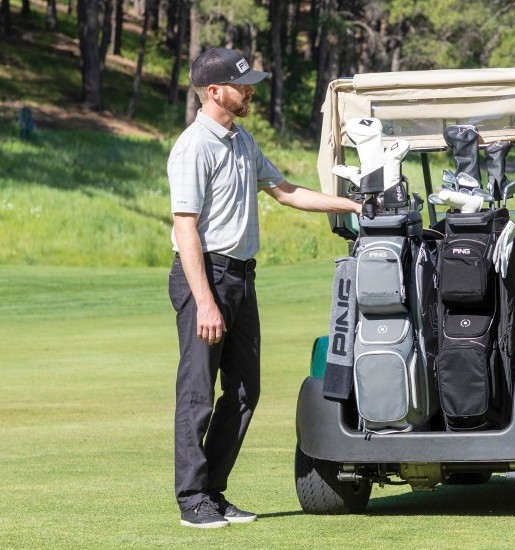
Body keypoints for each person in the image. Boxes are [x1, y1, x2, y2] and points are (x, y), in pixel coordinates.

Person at [167, 47, 362, 529]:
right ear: (214, 91)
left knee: (243, 391)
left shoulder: (240, 140)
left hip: (240, 277)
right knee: (197, 392)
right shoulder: (195, 146)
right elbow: (186, 227)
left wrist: (354, 205)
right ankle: (192, 498)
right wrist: (206, 302)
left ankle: (212, 490)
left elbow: (285, 190)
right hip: (204, 277)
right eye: (242, 84)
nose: (250, 90)